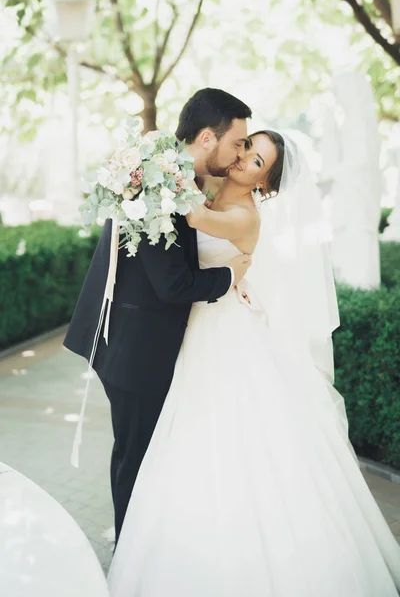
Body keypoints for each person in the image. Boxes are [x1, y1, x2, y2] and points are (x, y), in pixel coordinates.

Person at [107, 130, 400, 596]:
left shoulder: (242, 214)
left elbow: (192, 214)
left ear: (265, 182)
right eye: (245, 147)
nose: (243, 159)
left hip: (226, 334)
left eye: (256, 160)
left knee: (229, 437)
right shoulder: (216, 191)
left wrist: (145, 169)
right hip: (199, 327)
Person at [63, 88, 253, 544]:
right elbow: (174, 286)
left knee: (140, 452)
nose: (240, 153)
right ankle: (129, 558)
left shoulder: (167, 175)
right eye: (236, 143)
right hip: (136, 347)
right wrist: (230, 276)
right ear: (208, 137)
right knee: (136, 457)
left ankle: (139, 545)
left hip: (139, 340)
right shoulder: (158, 186)